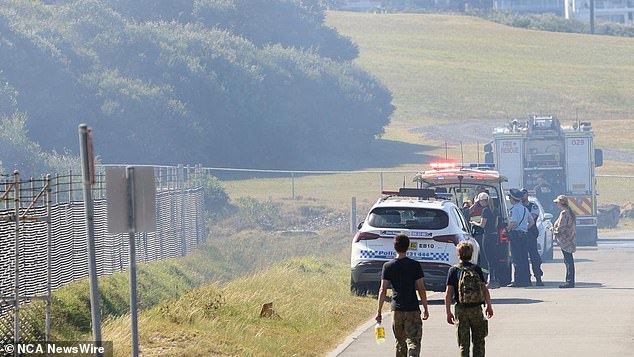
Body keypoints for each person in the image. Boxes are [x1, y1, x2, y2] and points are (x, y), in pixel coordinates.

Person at [376, 233, 430, 356]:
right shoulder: (415, 265)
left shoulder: (388, 266)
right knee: (414, 341)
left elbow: (382, 290)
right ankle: (413, 354)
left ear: (394, 247)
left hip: (397, 309)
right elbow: (421, 288)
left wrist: (378, 311)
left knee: (400, 342)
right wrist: (426, 308)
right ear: (408, 247)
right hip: (412, 309)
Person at [445, 241, 494, 357]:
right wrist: (489, 306)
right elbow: (484, 288)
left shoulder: (454, 270)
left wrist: (448, 312)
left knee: (463, 343)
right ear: (471, 254)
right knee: (479, 341)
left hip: (461, 309)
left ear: (458, 254)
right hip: (476, 309)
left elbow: (448, 293)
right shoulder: (476, 269)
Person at [469, 192, 501, 289]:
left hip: (487, 236)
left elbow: (482, 225)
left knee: (488, 259)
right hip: (494, 236)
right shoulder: (495, 210)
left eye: (480, 201)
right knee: (494, 259)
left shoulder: (485, 211)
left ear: (483, 201)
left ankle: (491, 281)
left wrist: (474, 222)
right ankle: (495, 280)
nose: (480, 203)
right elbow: (496, 225)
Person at [505, 188, 533, 287]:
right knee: (524, 258)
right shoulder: (525, 209)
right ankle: (527, 280)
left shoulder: (514, 209)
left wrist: (506, 230)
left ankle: (518, 281)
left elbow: (513, 223)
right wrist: (524, 228)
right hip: (524, 235)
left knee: (516, 258)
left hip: (516, 236)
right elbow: (532, 222)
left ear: (513, 199)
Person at [521, 188, 544, 286]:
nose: (522, 196)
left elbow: (532, 218)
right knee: (523, 257)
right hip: (521, 234)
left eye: (524, 194)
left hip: (530, 233)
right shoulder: (518, 206)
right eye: (521, 194)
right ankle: (526, 278)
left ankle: (538, 277)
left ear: (527, 195)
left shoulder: (533, 206)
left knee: (534, 257)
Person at [553, 195, 576, 288]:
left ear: (561, 203)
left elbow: (561, 227)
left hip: (565, 240)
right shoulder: (570, 212)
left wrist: (554, 231)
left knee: (568, 261)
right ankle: (570, 280)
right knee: (568, 260)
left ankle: (569, 281)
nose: (556, 204)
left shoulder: (564, 213)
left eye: (557, 202)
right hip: (570, 239)